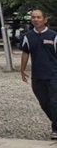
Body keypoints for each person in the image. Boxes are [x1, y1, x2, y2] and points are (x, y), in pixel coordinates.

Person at [20, 8, 57, 140]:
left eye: (38, 17)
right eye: (33, 17)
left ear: (45, 20)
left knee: (54, 102)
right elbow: (25, 53)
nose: (36, 19)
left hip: (53, 75)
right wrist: (22, 69)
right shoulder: (27, 37)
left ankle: (56, 129)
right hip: (37, 76)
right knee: (44, 102)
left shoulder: (53, 36)